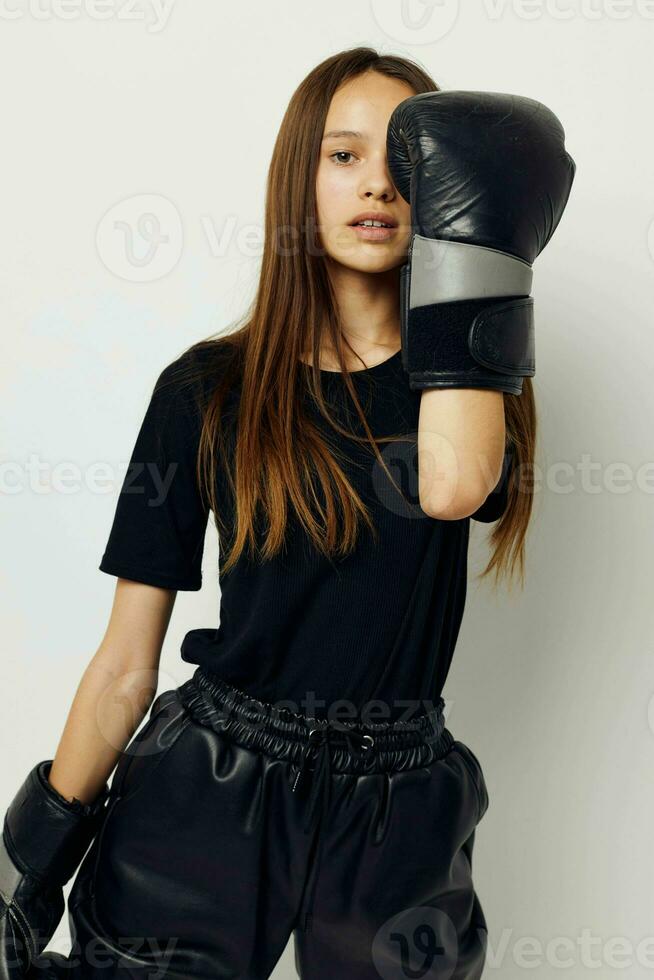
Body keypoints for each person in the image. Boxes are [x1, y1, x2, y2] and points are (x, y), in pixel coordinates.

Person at [1, 47, 574, 980]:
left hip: (397, 805)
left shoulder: (463, 389)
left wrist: (481, 243)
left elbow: (456, 489)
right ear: (296, 179)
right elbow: (123, 661)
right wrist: (23, 865)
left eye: (410, 162)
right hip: (211, 784)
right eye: (343, 156)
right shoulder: (204, 390)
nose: (378, 185)